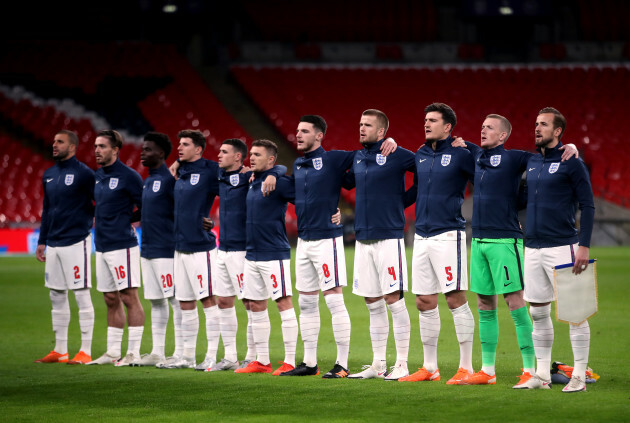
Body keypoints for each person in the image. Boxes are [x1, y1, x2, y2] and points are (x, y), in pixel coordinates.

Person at [452, 115, 578, 387]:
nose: (483, 129)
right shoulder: (475, 155)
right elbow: (456, 143)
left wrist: (571, 148)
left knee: (515, 302)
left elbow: (547, 156)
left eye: (489, 127)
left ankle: (531, 369)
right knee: (485, 304)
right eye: (482, 125)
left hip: (505, 241)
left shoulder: (515, 158)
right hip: (479, 241)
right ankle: (487, 370)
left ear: (502, 136)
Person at [280, 115, 395, 378]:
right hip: (304, 241)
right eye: (297, 130)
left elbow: (367, 152)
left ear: (319, 135)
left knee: (333, 299)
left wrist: (388, 140)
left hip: (327, 240)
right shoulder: (298, 164)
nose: (298, 134)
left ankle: (342, 364)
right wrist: (275, 174)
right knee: (306, 302)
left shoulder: (333, 159)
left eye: (304, 131)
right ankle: (309, 363)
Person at [399, 103, 476, 384]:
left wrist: (471, 147)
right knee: (423, 301)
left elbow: (487, 175)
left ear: (448, 127)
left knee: (455, 299)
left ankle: (466, 366)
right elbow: (416, 191)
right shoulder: (419, 154)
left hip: (448, 235)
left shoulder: (460, 154)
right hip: (421, 235)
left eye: (432, 120)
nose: (426, 124)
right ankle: (430, 367)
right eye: (425, 119)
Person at [523, 107, 595, 393]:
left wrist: (584, 245)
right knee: (537, 312)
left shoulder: (571, 162)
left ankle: (578, 376)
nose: (537, 128)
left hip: (564, 245)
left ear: (557, 132)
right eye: (536, 123)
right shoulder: (530, 162)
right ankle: (541, 375)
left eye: (544, 125)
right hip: (532, 247)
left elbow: (588, 205)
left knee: (576, 313)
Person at [344, 109, 416, 381]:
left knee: (393, 300)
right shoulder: (358, 157)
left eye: (368, 125)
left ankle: (402, 363)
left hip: (389, 237)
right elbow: (337, 177)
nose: (361, 128)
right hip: (363, 238)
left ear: (382, 131)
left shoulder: (396, 154)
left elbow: (426, 169)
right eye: (360, 123)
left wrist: (403, 201)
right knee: (372, 301)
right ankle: (377, 364)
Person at [210, 138, 284, 371]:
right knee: (223, 301)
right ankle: (230, 355)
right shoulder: (219, 177)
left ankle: (253, 354)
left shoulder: (249, 178)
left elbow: (279, 167)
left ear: (237, 157)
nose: (219, 155)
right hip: (222, 248)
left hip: (244, 249)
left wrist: (275, 174)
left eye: (224, 152)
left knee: (251, 303)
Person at [158, 129, 221, 370]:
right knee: (185, 302)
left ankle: (212, 356)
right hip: (180, 247)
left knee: (208, 299)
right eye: (178, 144)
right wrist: (176, 163)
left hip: (201, 247)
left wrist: (213, 222)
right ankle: (187, 356)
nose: (179, 148)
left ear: (198, 149)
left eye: (185, 144)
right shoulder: (180, 171)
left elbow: (234, 188)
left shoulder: (210, 169)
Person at [234, 139, 298, 375]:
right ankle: (262, 361)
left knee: (283, 302)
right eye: (251, 154)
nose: (251, 158)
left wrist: (333, 211)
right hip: (252, 255)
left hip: (274, 254)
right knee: (255, 305)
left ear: (271, 159)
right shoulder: (253, 181)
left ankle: (290, 361)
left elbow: (305, 197)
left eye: (257, 155)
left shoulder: (278, 182)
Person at [35, 130, 95, 365]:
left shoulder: (84, 174)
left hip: (76, 240)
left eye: (59, 141)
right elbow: (47, 209)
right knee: (56, 294)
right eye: (53, 141)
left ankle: (86, 351)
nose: (54, 144)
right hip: (54, 243)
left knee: (81, 294)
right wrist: (42, 240)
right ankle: (60, 350)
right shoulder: (49, 175)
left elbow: (99, 202)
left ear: (72, 147)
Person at [87, 130, 145, 366]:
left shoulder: (129, 176)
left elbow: (144, 206)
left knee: (129, 296)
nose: (97, 150)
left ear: (115, 150)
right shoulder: (98, 176)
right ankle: (112, 351)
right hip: (101, 245)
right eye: (95, 146)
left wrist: (127, 221)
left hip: (122, 246)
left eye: (102, 146)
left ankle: (133, 352)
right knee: (110, 298)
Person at [135, 132, 184, 366]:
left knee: (175, 300)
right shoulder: (148, 180)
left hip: (166, 249)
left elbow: (182, 211)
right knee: (156, 301)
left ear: (161, 154)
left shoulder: (169, 180)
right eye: (143, 149)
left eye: (148, 149)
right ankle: (157, 352)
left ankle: (181, 352)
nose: (143, 153)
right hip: (147, 250)